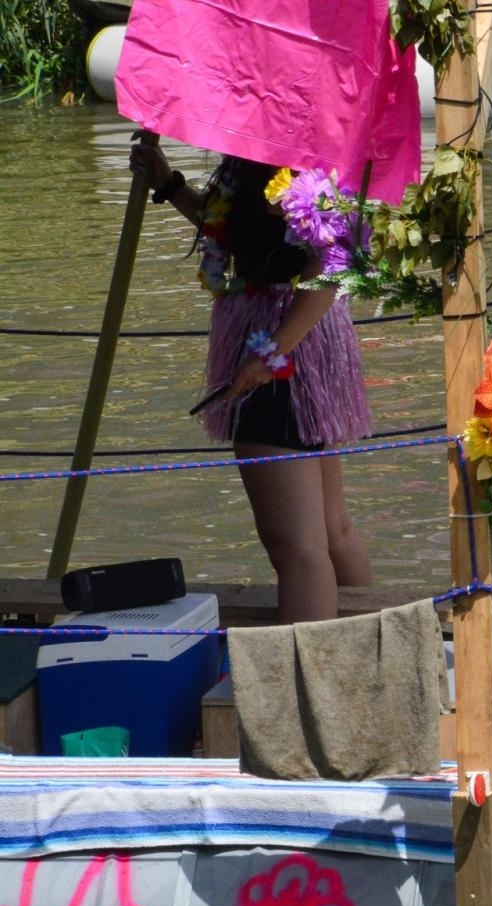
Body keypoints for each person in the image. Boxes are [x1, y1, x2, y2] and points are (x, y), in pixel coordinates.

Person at [130, 140, 372, 623]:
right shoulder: (257, 157)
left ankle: (312, 686)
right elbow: (240, 233)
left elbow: (331, 264)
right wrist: (171, 185)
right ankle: (375, 655)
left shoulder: (297, 162)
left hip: (282, 352)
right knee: (328, 531)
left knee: (295, 545)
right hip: (286, 347)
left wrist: (270, 353)